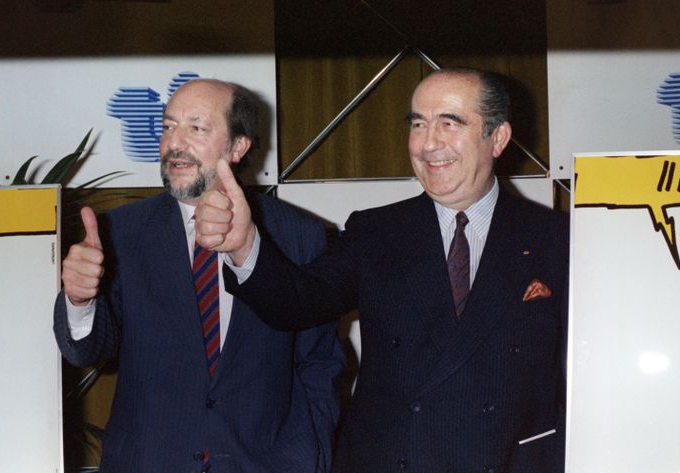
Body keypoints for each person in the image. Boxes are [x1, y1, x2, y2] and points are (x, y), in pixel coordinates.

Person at [196, 69, 569, 473]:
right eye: (418, 124)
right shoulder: (377, 232)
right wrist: (244, 245)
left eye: (450, 123)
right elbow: (299, 302)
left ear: (497, 138)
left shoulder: (557, 239)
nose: (429, 144)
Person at [53, 79, 345, 473]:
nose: (176, 143)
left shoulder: (299, 236)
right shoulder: (120, 233)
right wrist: (80, 301)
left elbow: (319, 362)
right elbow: (88, 352)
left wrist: (311, 454)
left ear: (239, 146)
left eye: (197, 128)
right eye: (169, 126)